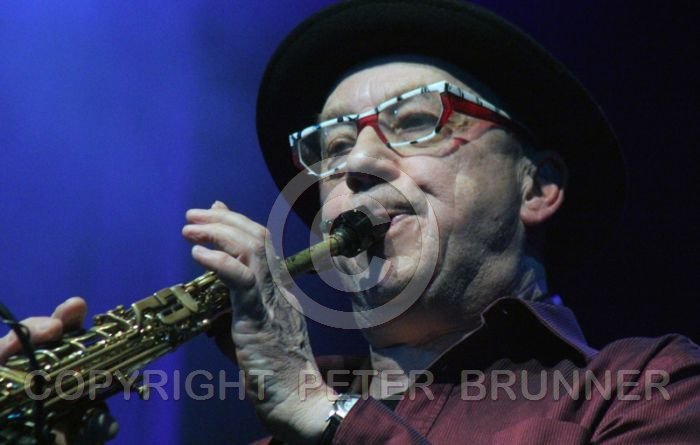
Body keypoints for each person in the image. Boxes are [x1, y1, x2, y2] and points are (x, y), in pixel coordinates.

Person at [2, 0, 699, 443]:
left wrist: (324, 414)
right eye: (331, 147)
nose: (356, 163)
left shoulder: (649, 386)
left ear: (537, 186)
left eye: (416, 121)